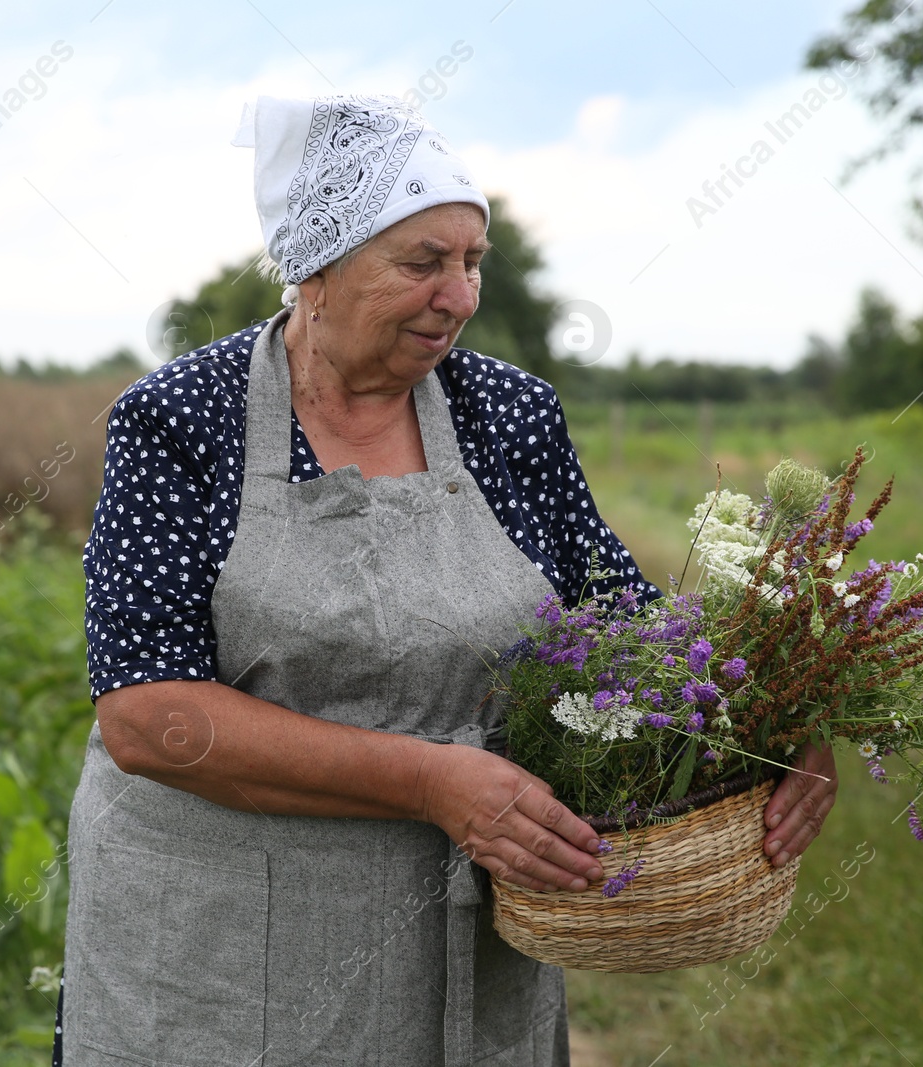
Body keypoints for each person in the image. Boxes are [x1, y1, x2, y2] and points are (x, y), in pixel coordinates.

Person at [53, 93, 837, 1066]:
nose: (458, 296)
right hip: (220, 946)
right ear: (317, 268)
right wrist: (432, 779)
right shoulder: (184, 419)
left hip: (469, 936)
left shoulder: (507, 413)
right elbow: (146, 715)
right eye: (422, 262)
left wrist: (765, 735)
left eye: (471, 262)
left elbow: (627, 630)